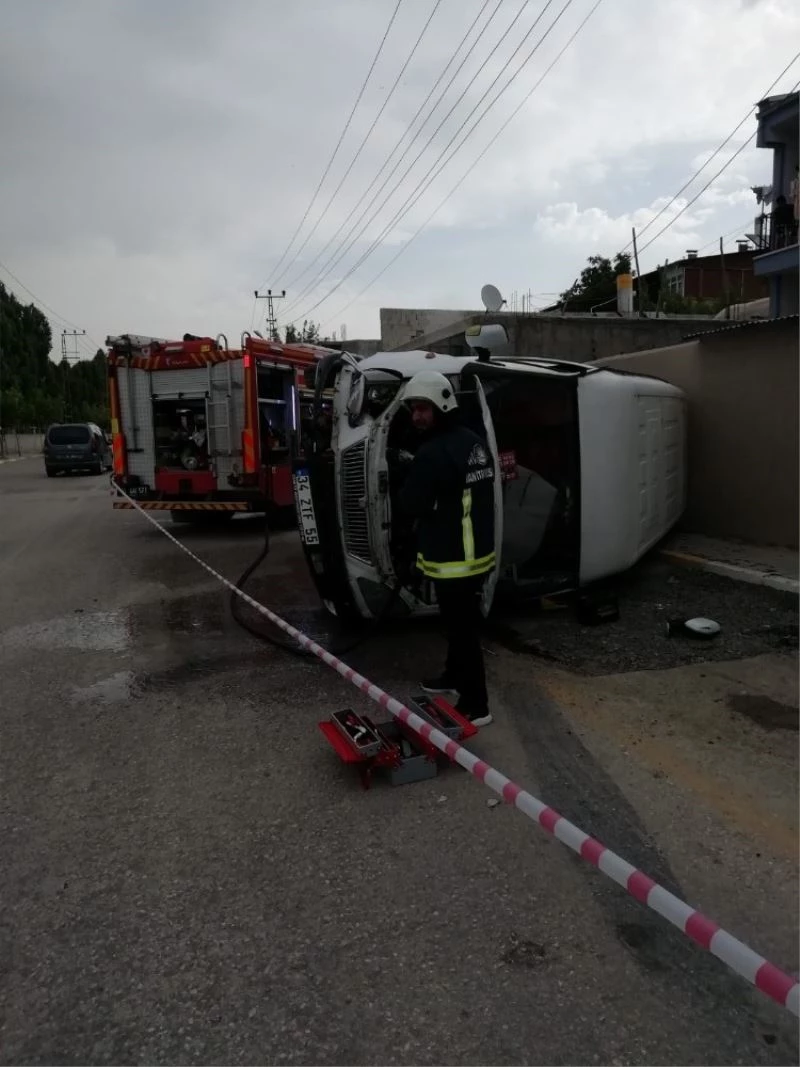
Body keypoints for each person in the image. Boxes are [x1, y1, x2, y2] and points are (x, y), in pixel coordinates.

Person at [397, 370, 496, 727]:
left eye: (423, 408)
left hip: (455, 559)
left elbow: (411, 503)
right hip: (478, 554)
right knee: (459, 625)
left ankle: (476, 704)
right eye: (413, 409)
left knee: (462, 631)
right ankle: (454, 677)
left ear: (441, 405)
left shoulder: (432, 453)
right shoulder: (473, 442)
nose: (417, 416)